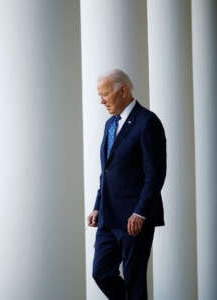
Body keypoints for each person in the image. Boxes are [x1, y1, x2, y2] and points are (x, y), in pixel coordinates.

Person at [87, 69, 166, 300]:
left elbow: (155, 174)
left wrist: (140, 212)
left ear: (122, 91)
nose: (101, 101)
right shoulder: (110, 124)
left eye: (105, 95)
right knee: (101, 273)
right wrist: (97, 206)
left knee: (134, 279)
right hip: (108, 217)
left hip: (135, 220)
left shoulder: (148, 122)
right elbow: (107, 173)